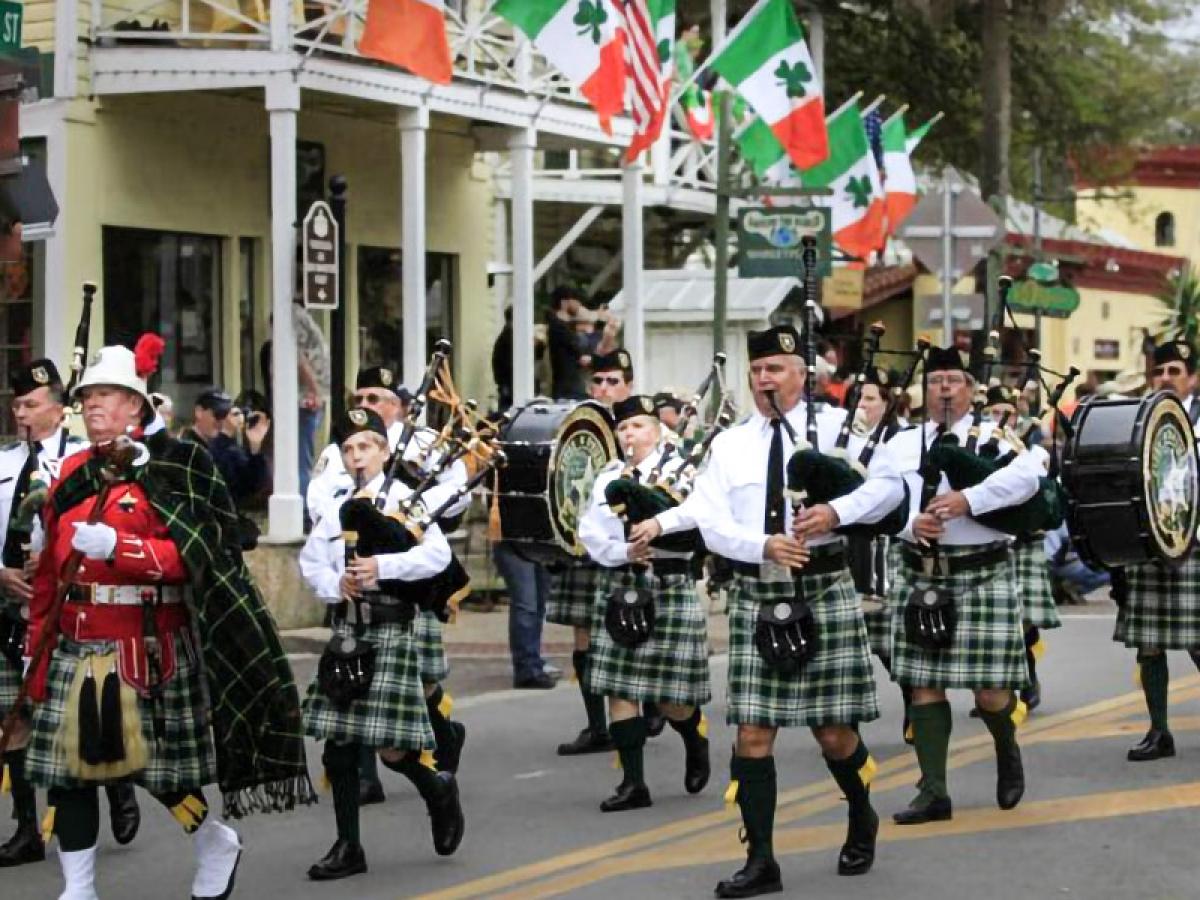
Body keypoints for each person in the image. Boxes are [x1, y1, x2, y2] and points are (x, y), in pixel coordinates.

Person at [23, 337, 312, 899]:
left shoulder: (175, 467)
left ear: (136, 405)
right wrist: (38, 655)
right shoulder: (71, 473)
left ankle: (214, 842)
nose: (96, 405)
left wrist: (119, 548)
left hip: (146, 647)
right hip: (76, 644)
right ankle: (78, 889)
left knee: (162, 776)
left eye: (109, 394)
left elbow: (197, 557)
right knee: (67, 776)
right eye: (89, 396)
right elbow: (46, 583)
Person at [633, 326, 905, 896]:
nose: (764, 380)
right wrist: (761, 546)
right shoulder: (730, 444)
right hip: (759, 593)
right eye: (758, 371)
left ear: (802, 375)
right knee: (752, 735)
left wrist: (835, 511)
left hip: (824, 587)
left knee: (834, 735)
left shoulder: (837, 429)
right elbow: (709, 518)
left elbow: (889, 489)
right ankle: (762, 860)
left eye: (776, 369)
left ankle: (860, 809)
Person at [298, 407, 465, 880]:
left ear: (384, 451)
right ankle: (349, 846)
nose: (356, 457)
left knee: (391, 750)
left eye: (365, 447)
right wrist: (336, 586)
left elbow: (437, 556)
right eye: (349, 449)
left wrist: (382, 569)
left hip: (390, 629)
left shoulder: (406, 503)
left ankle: (438, 788)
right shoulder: (334, 508)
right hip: (347, 630)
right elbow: (311, 562)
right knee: (339, 748)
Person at [884, 346, 1042, 826]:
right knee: (924, 688)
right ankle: (934, 790)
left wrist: (967, 499)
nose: (945, 388)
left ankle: (1006, 746)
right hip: (921, 572)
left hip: (981, 571)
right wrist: (910, 526)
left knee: (991, 694)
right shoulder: (899, 445)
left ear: (971, 390)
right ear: (924, 390)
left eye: (954, 379)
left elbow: (1030, 480)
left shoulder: (996, 438)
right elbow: (878, 502)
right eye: (936, 381)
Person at [0, 360, 141, 867]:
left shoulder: (88, 461)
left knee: (81, 719)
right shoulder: (4, 463)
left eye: (31, 404)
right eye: (16, 405)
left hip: (67, 605)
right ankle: (25, 829)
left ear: (60, 410)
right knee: (13, 722)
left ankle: (118, 789)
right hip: (9, 603)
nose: (21, 413)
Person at [578, 395, 711, 812]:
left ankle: (693, 736)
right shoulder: (606, 478)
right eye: (623, 429)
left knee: (672, 699)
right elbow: (590, 531)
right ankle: (633, 782)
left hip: (669, 581)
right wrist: (623, 554)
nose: (629, 435)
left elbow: (698, 516)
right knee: (620, 688)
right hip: (622, 583)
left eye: (637, 427)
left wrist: (658, 525)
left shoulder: (683, 469)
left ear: (657, 430)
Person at [1113, 339, 1200, 761]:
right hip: (1151, 543)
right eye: (1158, 372)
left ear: (1193, 378)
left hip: (1195, 544)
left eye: (1174, 371)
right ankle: (1159, 731)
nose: (1164, 379)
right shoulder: (1136, 423)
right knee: (1149, 643)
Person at [984, 383, 1060, 713]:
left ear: (1018, 417)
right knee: (998, 623)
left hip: (1025, 542)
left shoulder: (1034, 452)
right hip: (991, 544)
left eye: (1006, 414)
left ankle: (1027, 668)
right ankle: (1001, 683)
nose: (1000, 419)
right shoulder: (978, 448)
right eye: (994, 413)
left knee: (1022, 621)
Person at [181, 388, 272, 502]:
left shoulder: (225, 446)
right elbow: (215, 483)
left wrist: (255, 447)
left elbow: (250, 487)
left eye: (225, 415)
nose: (222, 421)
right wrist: (224, 436)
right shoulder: (184, 444)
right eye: (218, 414)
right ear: (199, 412)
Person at [493, 541, 555, 689]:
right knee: (526, 604)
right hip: (513, 541)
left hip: (544, 542)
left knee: (538, 604)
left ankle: (534, 661)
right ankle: (526, 669)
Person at [293, 299, 332, 504]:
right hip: (304, 400)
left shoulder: (301, 315)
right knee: (303, 458)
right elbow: (297, 357)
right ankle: (304, 509)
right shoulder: (292, 314)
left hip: (310, 399)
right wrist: (314, 391)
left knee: (306, 456)